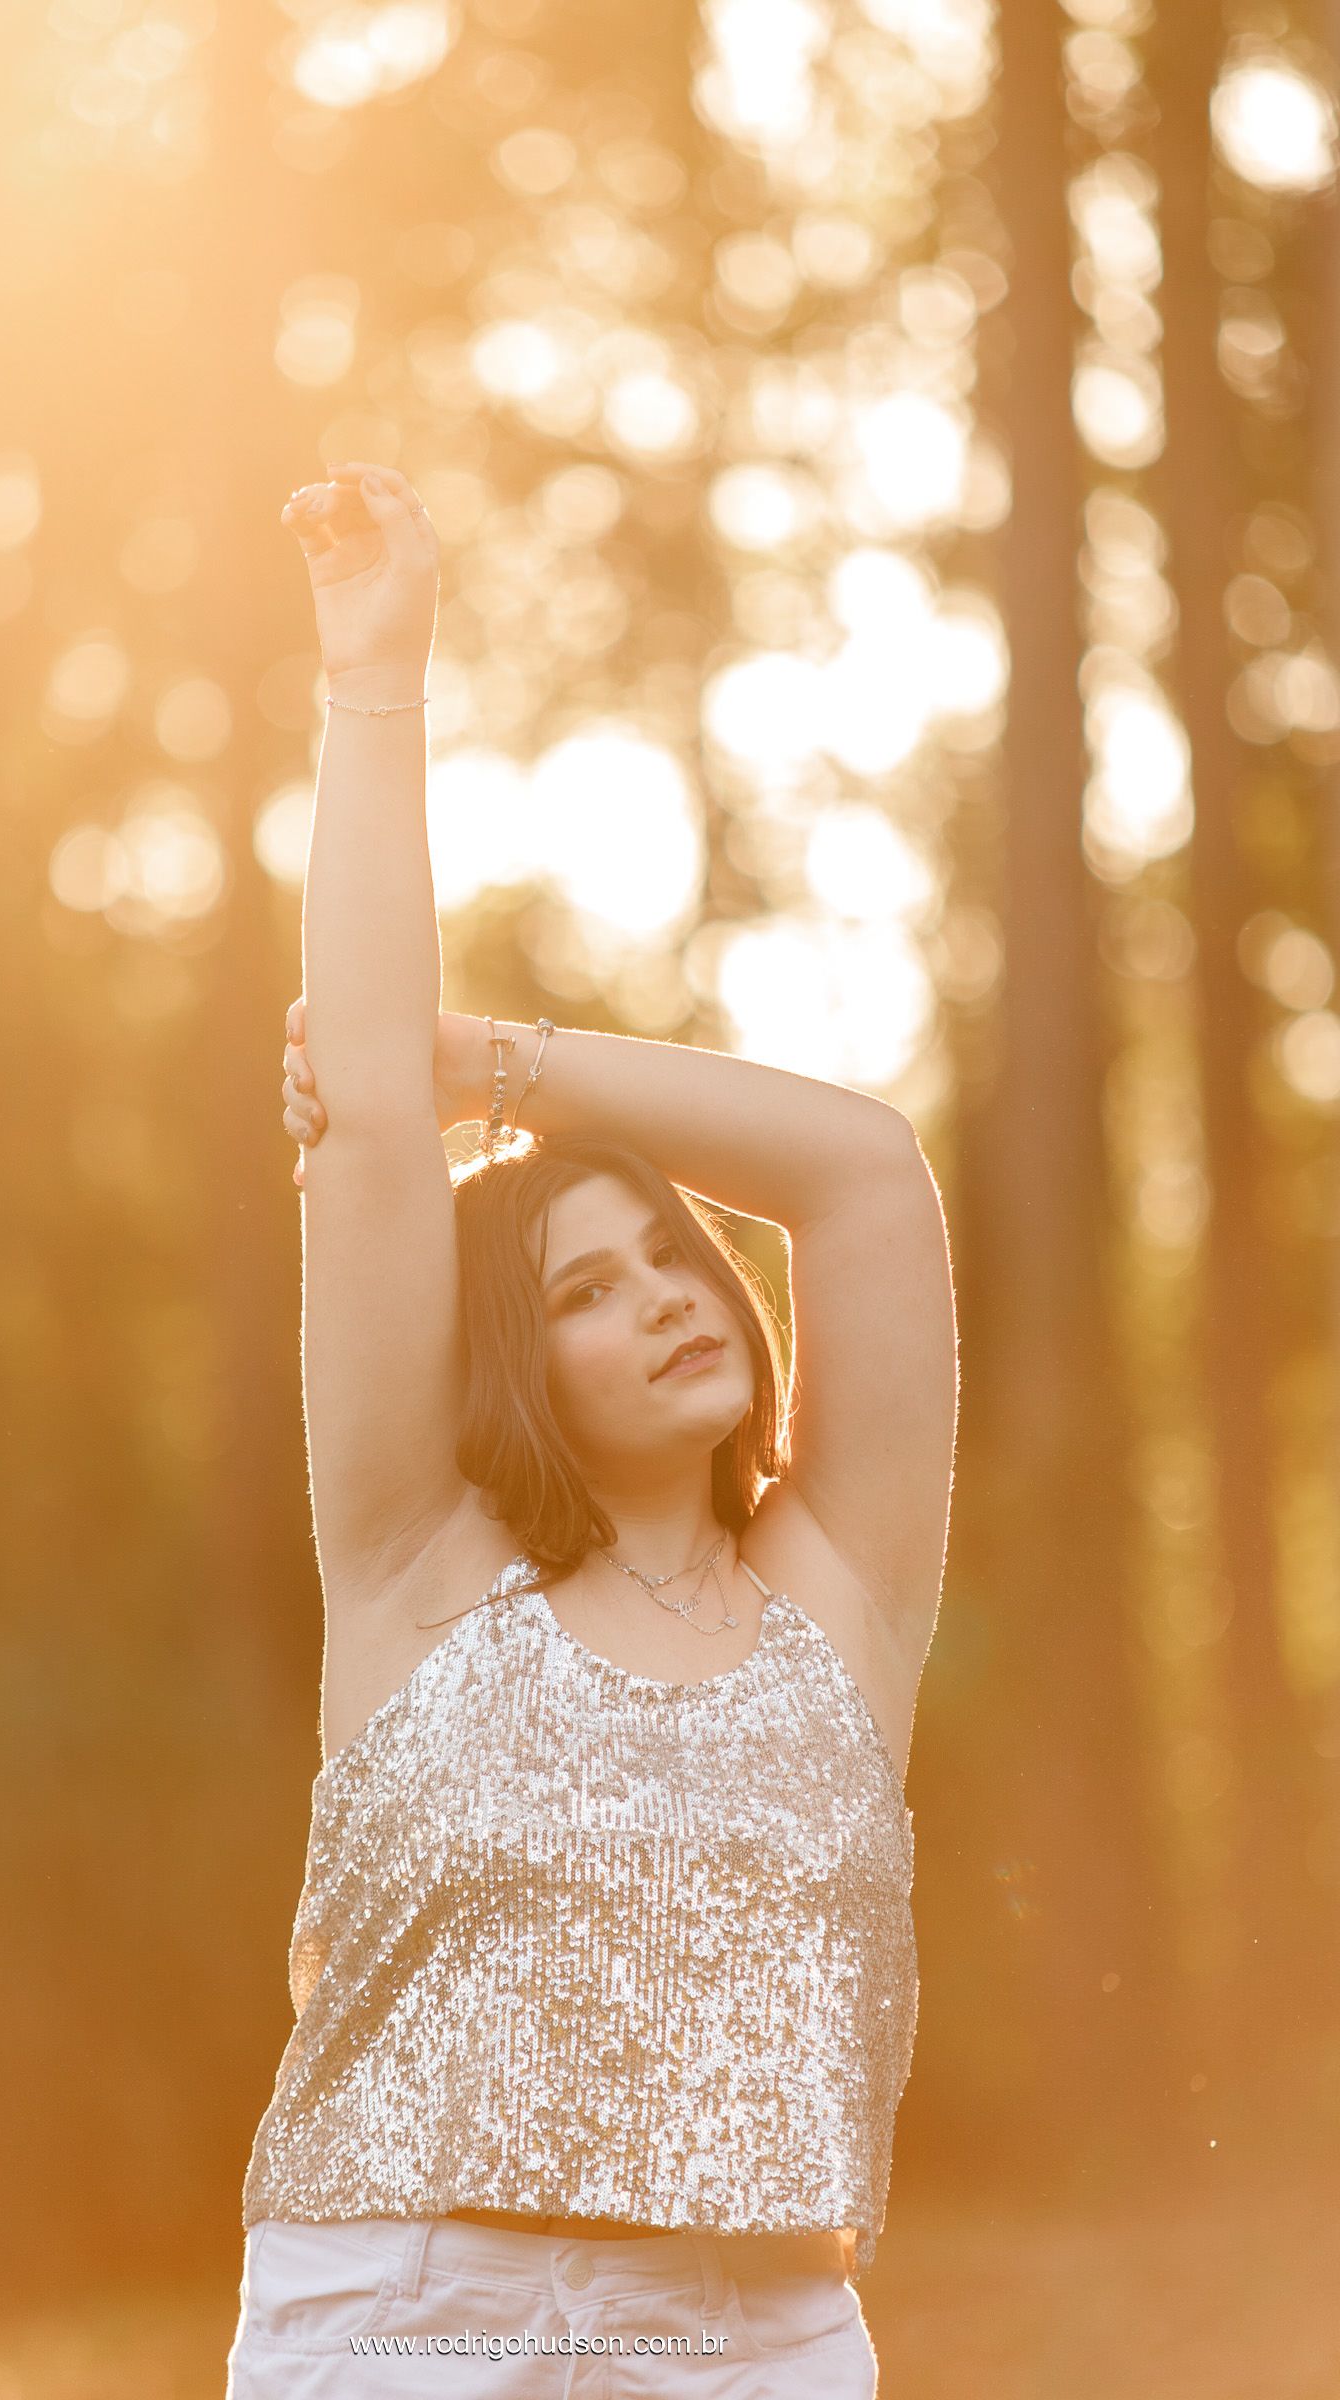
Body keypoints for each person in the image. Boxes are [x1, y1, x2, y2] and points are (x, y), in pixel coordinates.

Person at [224, 459, 958, 2397]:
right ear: (506, 1380)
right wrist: (376, 673)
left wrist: (511, 1069)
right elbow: (368, 1121)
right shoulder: (414, 1570)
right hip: (400, 2329)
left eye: (666, 1259)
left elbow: (866, 1177)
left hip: (756, 2337)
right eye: (577, 1289)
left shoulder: (837, 1596)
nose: (660, 1297)